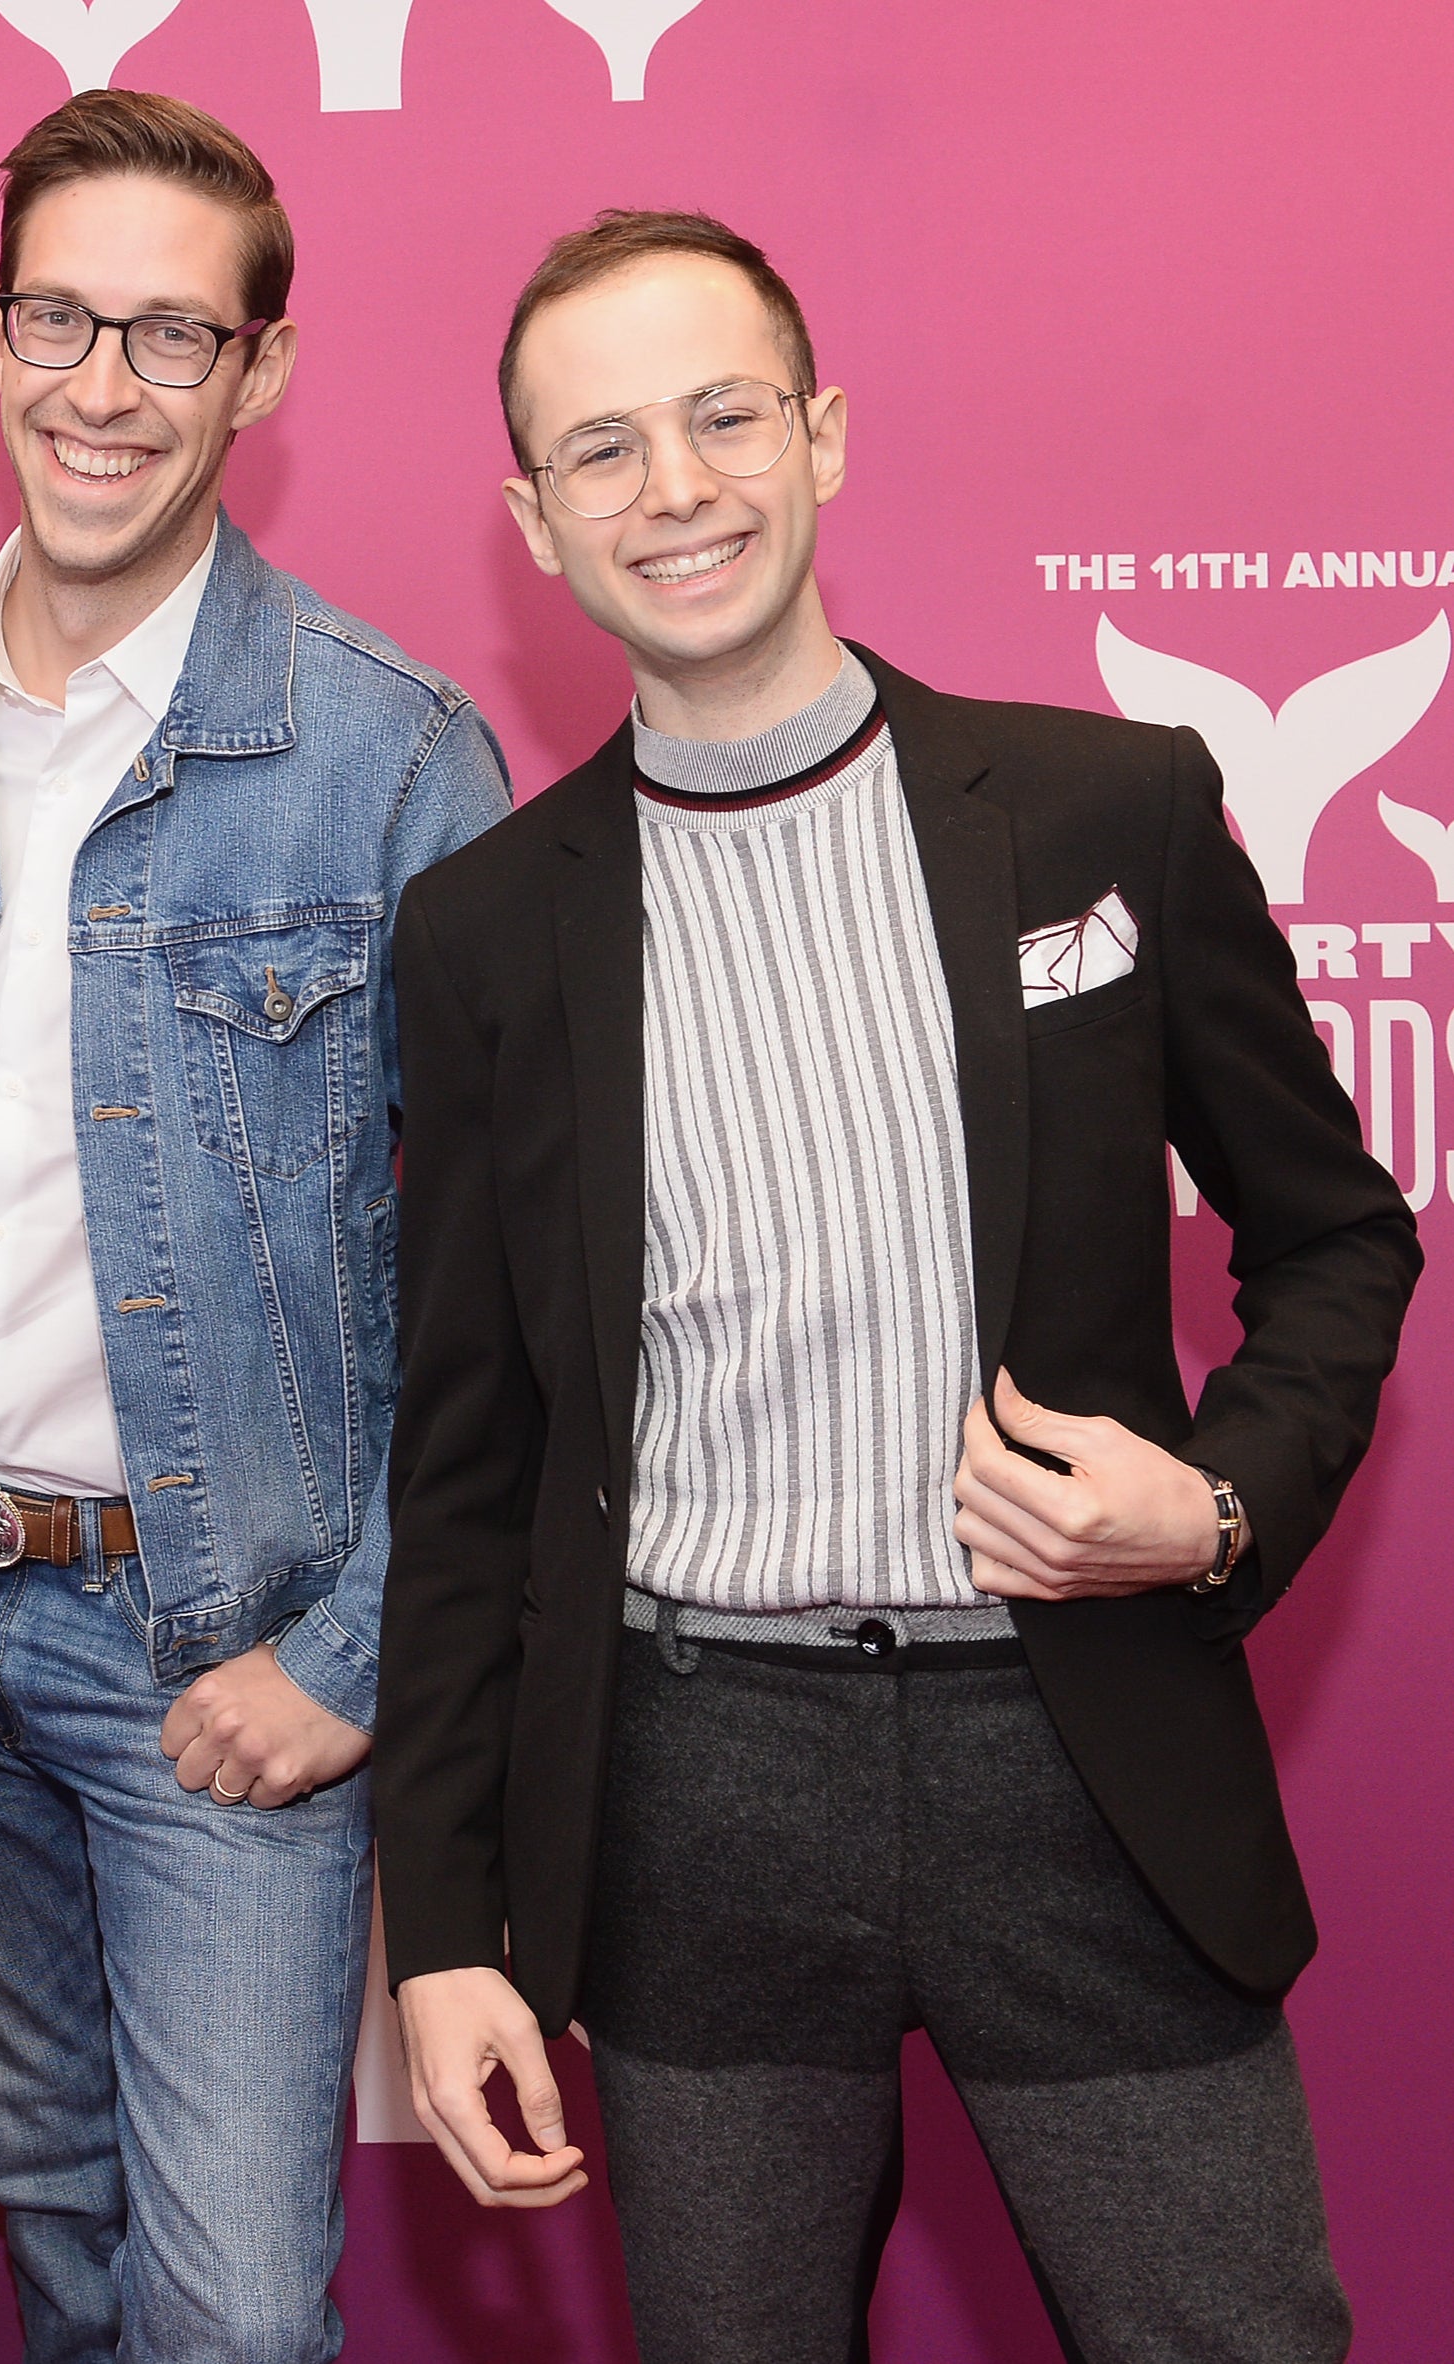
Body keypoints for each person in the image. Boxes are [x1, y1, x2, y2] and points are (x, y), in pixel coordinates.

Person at [375, 208, 1420, 2362]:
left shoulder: (1099, 809)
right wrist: (445, 1925)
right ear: (529, 521)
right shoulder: (485, 934)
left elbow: (1336, 1234)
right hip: (689, 1797)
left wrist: (1211, 1504)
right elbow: (469, 1469)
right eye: (598, 452)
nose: (672, 489)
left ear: (821, 435)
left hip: (1079, 1759)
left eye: (718, 415)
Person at [0, 92, 511, 2364]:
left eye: (168, 338)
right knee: (58, 2230)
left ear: (259, 374)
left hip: (217, 1658)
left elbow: (504, 1293)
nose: (99, 387)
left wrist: (346, 1659)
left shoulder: (389, 759)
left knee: (226, 2314)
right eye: (57, 319)